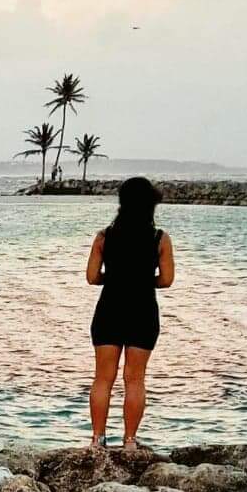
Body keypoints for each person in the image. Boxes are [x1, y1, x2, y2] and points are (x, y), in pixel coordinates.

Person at [86, 175, 175, 451]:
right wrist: (141, 279)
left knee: (103, 378)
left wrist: (114, 278)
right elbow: (167, 280)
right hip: (142, 311)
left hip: (109, 309)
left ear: (121, 203)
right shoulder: (160, 238)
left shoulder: (104, 237)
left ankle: (97, 440)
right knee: (135, 379)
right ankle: (129, 441)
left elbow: (91, 277)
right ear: (151, 204)